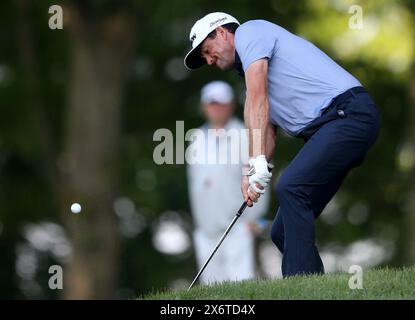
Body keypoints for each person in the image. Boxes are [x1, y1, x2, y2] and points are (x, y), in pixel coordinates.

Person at [183, 12, 380, 277]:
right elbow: (267, 131)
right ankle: (315, 288)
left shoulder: (250, 32)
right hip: (332, 127)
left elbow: (257, 99)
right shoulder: (254, 72)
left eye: (207, 51)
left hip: (349, 115)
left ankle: (299, 288)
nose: (209, 60)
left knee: (291, 187)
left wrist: (256, 161)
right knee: (282, 231)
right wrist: (250, 174)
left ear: (221, 32)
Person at [186, 80, 270, 284]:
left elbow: (259, 177)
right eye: (211, 103)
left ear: (230, 105)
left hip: (239, 225)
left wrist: (257, 219)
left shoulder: (244, 135)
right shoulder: (196, 138)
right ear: (204, 106)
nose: (216, 108)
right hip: (205, 228)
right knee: (211, 289)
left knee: (241, 285)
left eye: (221, 103)